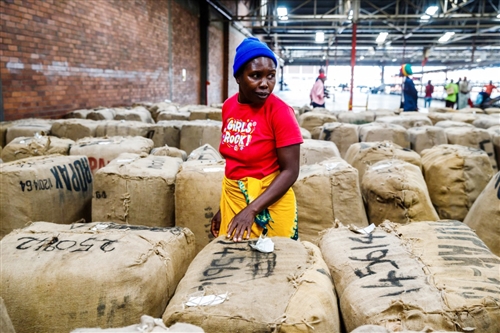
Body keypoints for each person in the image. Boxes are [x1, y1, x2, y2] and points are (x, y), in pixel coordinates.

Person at [210, 36, 303, 243]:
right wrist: (223, 209)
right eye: (255, 76)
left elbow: (291, 171)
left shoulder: (280, 112)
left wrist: (251, 210)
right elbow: (235, 164)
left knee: (273, 264)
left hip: (269, 203)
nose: (265, 84)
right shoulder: (229, 107)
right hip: (234, 198)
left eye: (271, 76)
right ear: (238, 77)